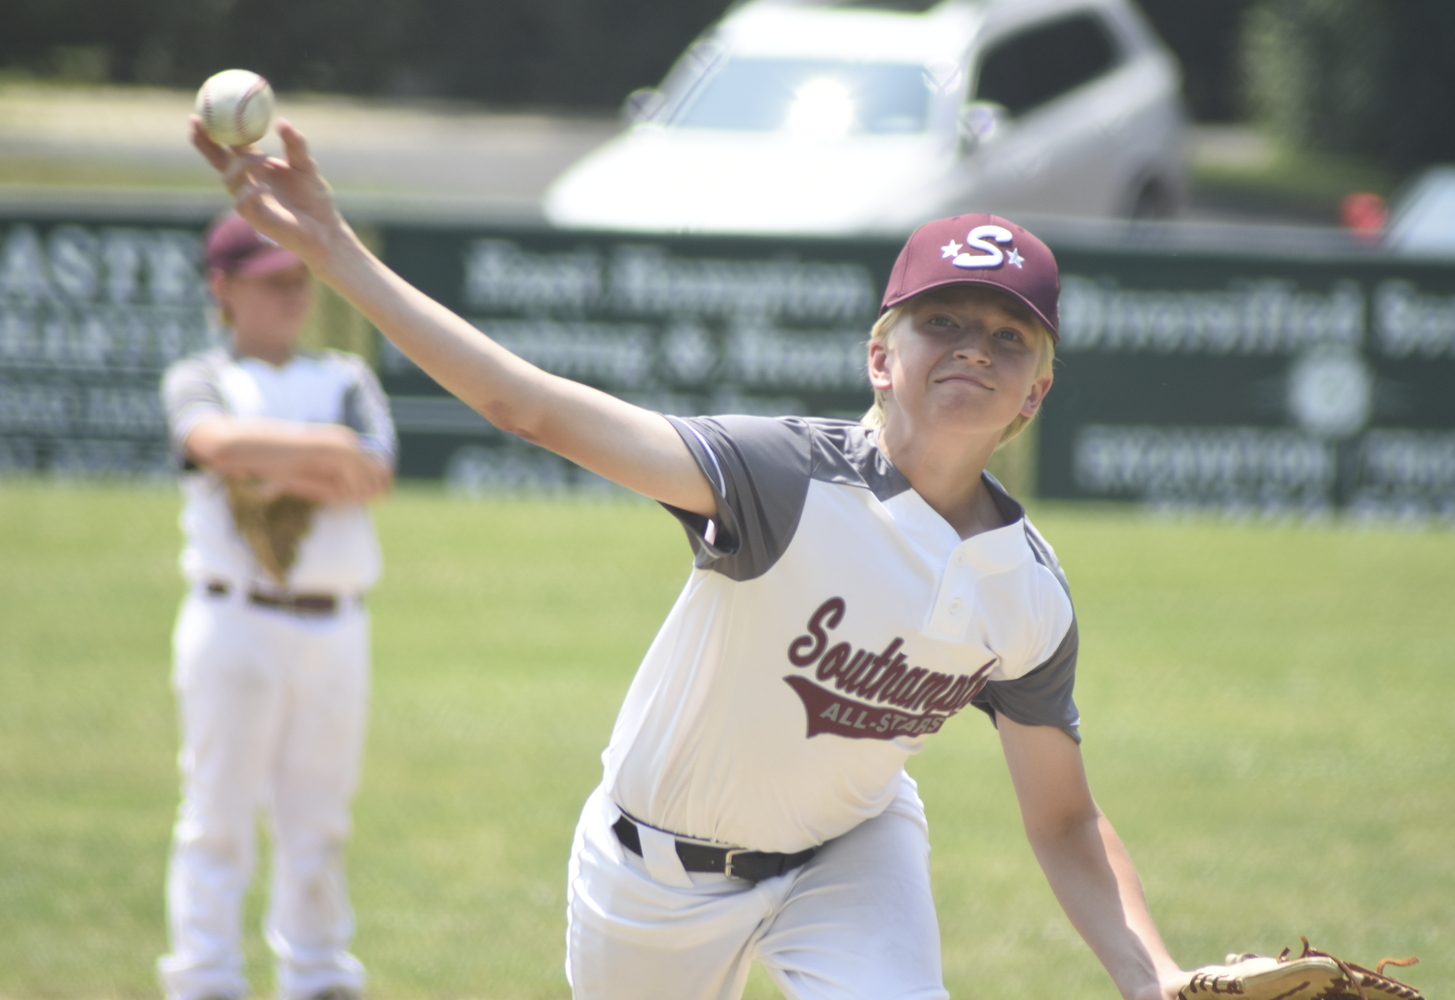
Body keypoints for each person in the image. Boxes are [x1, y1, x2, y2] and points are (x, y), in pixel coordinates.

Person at [191, 117, 1193, 1000]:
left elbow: (1064, 818)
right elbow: (526, 407)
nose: (976, 347)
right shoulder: (783, 479)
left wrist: (1155, 979)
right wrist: (337, 255)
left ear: (1036, 394)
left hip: (852, 846)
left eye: (1009, 338)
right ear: (881, 357)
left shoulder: (1029, 591)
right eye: (944, 321)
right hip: (651, 875)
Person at [157, 212, 395, 1000]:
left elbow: (371, 475)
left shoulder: (344, 376)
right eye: (272, 279)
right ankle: (205, 979)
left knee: (320, 820)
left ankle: (319, 975)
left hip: (335, 622)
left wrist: (277, 462)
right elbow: (210, 443)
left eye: (299, 277)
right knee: (217, 814)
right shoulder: (202, 375)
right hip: (234, 618)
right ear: (223, 288)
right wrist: (323, 452)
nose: (294, 292)